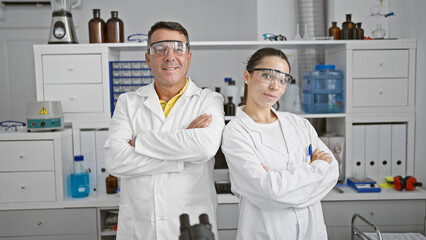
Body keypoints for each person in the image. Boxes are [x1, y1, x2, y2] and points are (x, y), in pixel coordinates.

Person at [104, 21, 225, 240]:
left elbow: (204, 148)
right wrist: (182, 157)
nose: (170, 56)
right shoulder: (128, 102)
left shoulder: (209, 100)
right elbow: (114, 161)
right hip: (140, 228)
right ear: (148, 58)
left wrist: (140, 141)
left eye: (178, 48)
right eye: (159, 49)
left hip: (193, 227)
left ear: (188, 56)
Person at [221, 48, 339, 239]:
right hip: (267, 233)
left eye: (283, 79)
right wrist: (316, 169)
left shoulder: (299, 124)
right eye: (267, 75)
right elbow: (268, 191)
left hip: (311, 232)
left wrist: (283, 189)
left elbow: (332, 172)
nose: (275, 86)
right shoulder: (235, 132)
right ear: (247, 76)